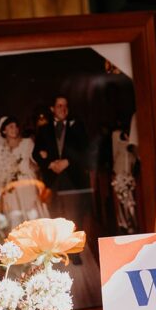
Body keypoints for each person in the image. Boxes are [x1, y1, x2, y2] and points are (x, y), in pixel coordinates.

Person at [32, 95, 93, 247]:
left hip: (72, 178)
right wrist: (49, 163)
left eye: (65, 105)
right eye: (59, 105)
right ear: (53, 109)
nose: (63, 108)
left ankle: (75, 250)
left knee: (74, 216)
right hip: (52, 179)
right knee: (55, 215)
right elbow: (36, 153)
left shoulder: (77, 127)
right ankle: (58, 249)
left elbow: (85, 151)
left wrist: (68, 161)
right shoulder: (44, 129)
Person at [0, 116, 49, 227]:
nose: (14, 129)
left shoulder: (27, 143)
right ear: (4, 130)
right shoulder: (0, 150)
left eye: (16, 126)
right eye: (11, 127)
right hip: (12, 189)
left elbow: (35, 164)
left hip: (27, 184)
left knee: (32, 215)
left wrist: (39, 158)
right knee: (16, 218)